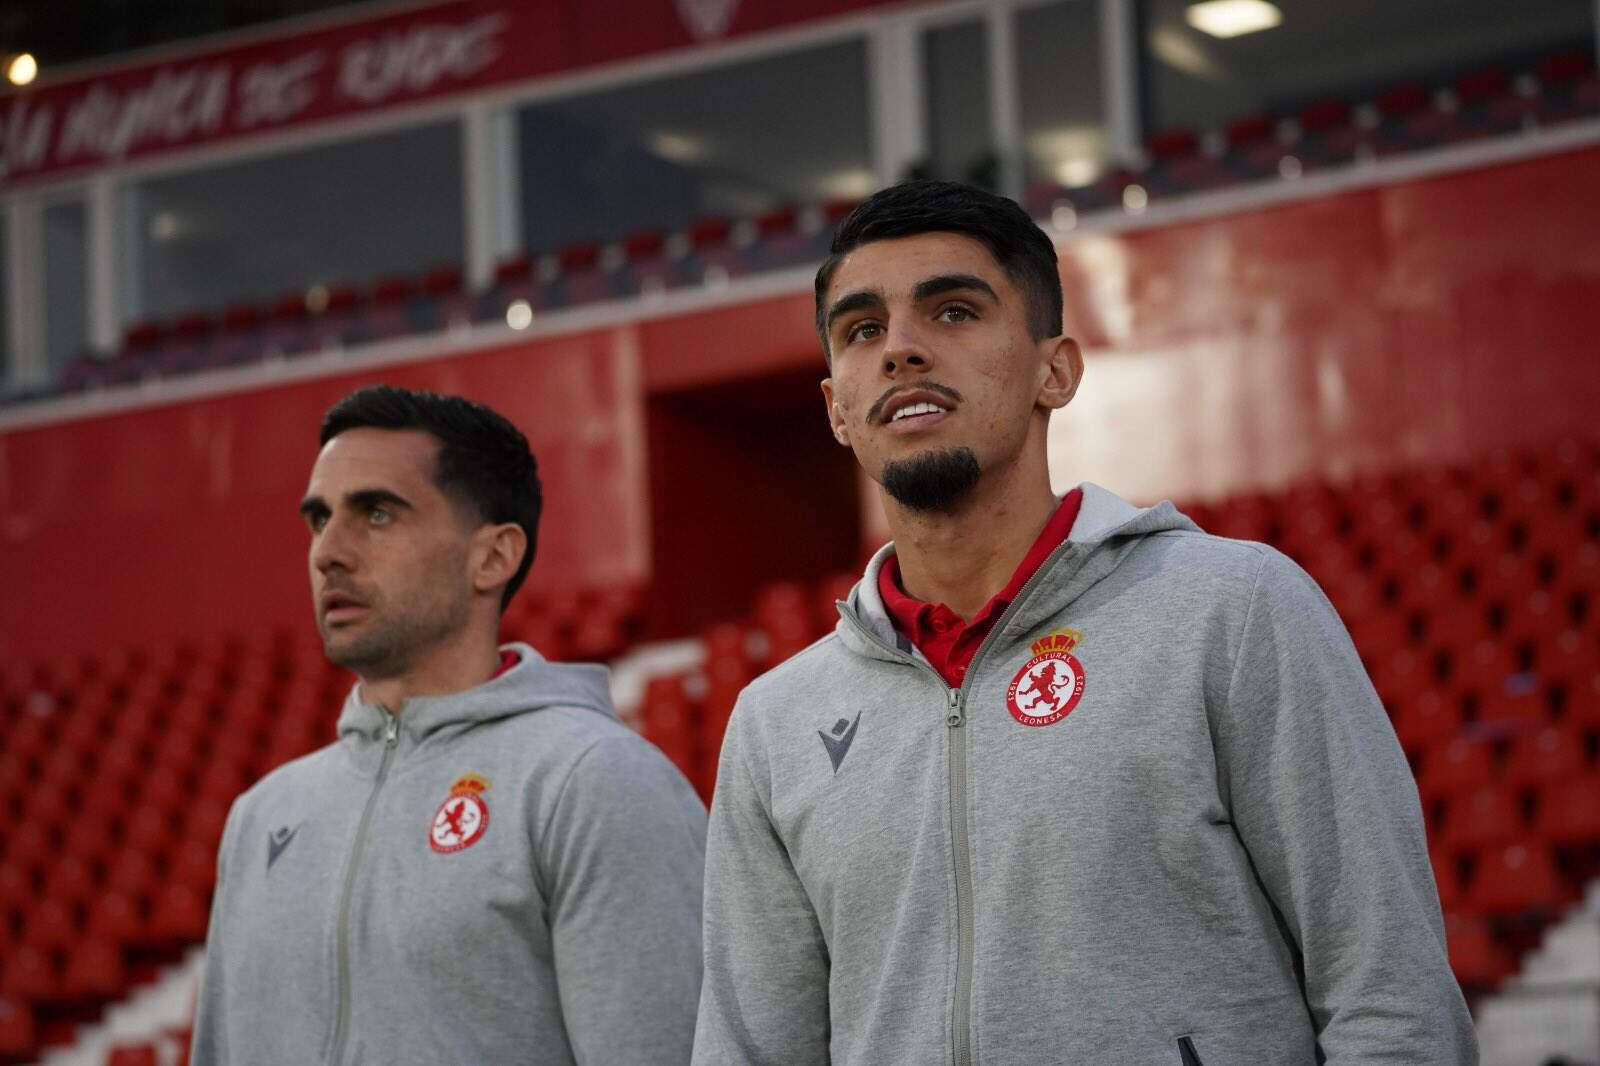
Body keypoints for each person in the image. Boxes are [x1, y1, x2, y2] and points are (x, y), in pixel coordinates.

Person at [691, 181, 1476, 1065]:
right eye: (863, 330)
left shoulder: (1232, 610)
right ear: (838, 407)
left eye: (954, 312)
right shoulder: (775, 722)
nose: (901, 348)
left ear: (1055, 371)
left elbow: (1392, 999)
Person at [192, 385, 705, 1066]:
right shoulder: (262, 818)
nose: (327, 552)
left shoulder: (596, 783)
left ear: (492, 557)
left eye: (377, 514)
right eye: (319, 519)